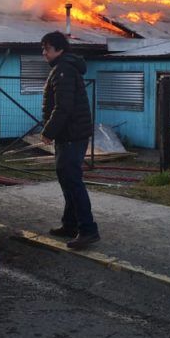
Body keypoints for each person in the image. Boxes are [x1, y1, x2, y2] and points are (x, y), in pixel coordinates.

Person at [39, 30, 100, 249]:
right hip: (70, 135)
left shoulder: (63, 69)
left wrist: (48, 132)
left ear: (59, 49)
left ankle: (88, 230)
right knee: (67, 179)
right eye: (43, 48)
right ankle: (70, 224)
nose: (43, 52)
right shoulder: (62, 68)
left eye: (47, 48)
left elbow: (63, 107)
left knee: (72, 181)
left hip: (72, 135)